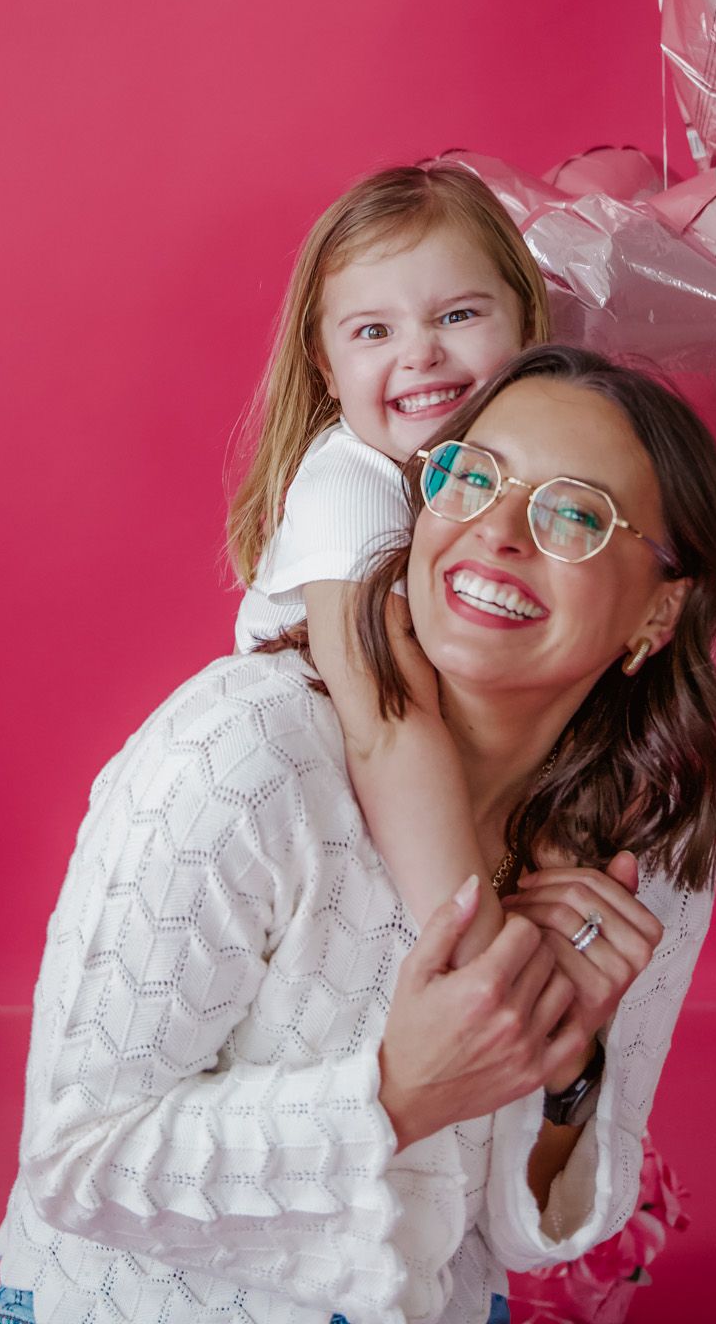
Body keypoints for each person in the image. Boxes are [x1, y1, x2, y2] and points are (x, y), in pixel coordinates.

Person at [0, 344, 716, 1324]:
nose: (497, 531)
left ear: (659, 609)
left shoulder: (648, 848)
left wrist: (570, 1068)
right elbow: (75, 1163)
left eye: (573, 514)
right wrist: (397, 1093)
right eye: (472, 476)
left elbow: (524, 1238)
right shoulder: (244, 752)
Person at [227, 162, 552, 961]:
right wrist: (479, 953)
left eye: (458, 314)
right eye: (373, 332)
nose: (421, 353)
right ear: (325, 367)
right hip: (319, 814)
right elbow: (385, 727)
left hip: (419, 803)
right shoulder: (352, 489)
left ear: (526, 320)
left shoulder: (511, 470)